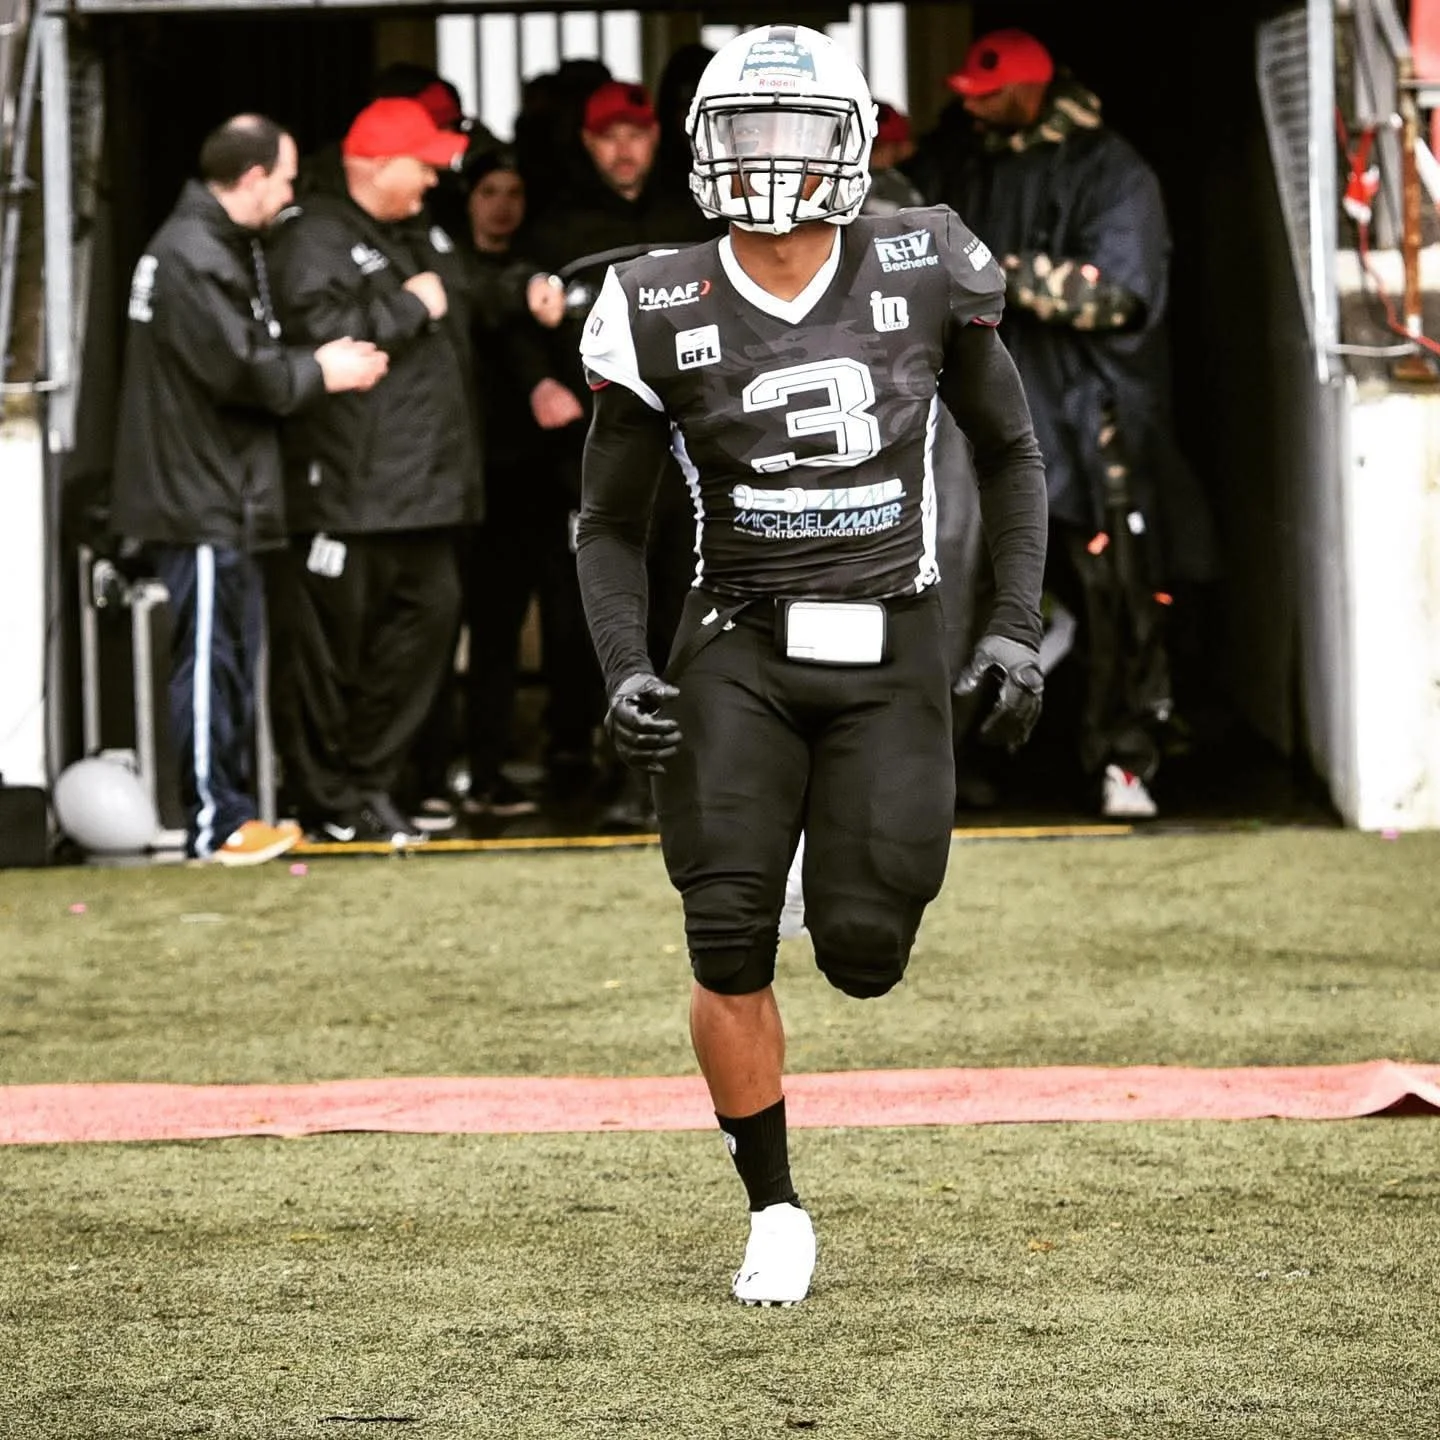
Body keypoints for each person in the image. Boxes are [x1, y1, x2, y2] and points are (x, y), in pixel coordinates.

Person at [574, 24, 1048, 1306]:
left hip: (893, 634)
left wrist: (1012, 623)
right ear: (703, 149)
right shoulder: (657, 297)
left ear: (853, 140)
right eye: (746, 132)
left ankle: (813, 875)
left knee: (863, 952)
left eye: (799, 130)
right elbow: (610, 521)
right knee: (725, 932)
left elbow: (1011, 453)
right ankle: (774, 1205)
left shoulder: (926, 257)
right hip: (735, 640)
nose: (773, 160)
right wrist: (623, 666)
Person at [932, 29, 1216, 818]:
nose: (972, 105)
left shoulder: (1114, 171)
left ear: (1031, 89)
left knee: (1114, 597)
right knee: (962, 592)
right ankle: (955, 763)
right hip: (993, 425)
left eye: (988, 93)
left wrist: (998, 273)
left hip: (1094, 424)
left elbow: (1114, 293)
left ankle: (1125, 763)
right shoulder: (974, 165)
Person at [109, 114, 388, 866]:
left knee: (228, 659)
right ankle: (212, 823)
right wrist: (321, 370)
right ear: (255, 177)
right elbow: (240, 372)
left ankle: (231, 812)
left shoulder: (213, 246)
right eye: (289, 176)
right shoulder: (195, 253)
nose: (294, 191)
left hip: (218, 489)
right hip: (199, 494)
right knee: (207, 661)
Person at [265, 97, 477, 847]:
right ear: (377, 164)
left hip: (423, 492)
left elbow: (466, 296)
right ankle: (327, 797)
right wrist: (406, 309)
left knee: (424, 632)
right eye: (421, 164)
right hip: (346, 492)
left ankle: (365, 785)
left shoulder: (409, 230)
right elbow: (321, 348)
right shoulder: (315, 236)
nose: (431, 179)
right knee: (328, 655)